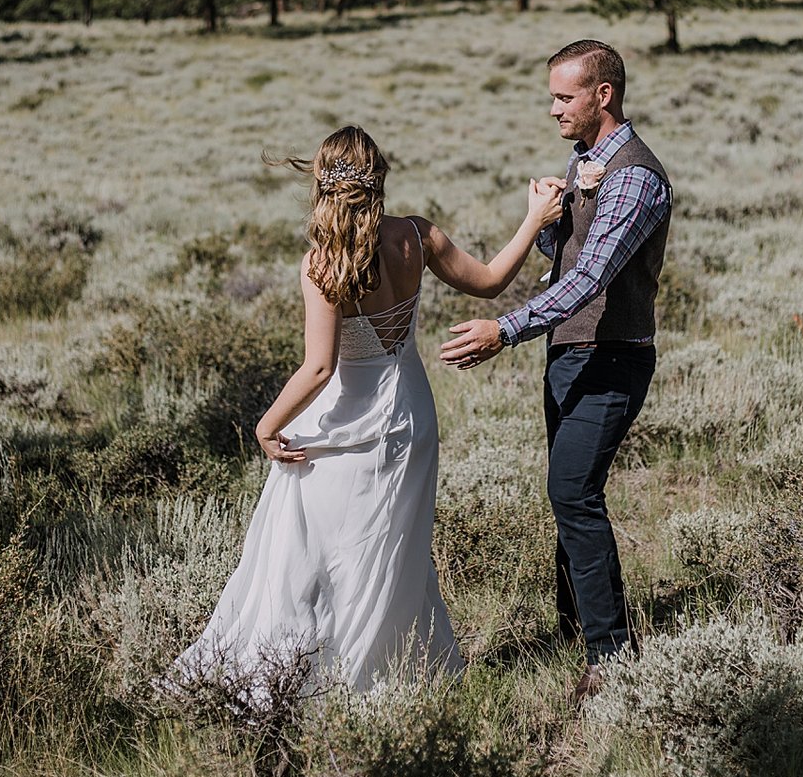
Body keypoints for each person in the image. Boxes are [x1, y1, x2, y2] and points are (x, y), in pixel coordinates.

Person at [170, 124, 563, 693]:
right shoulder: (416, 236)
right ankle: (392, 672)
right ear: (378, 177)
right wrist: (534, 218)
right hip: (412, 416)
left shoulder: (321, 265)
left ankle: (321, 674)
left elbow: (319, 368)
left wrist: (265, 424)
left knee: (313, 552)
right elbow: (492, 282)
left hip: (345, 422)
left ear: (324, 185)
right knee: (391, 549)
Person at [440, 40, 672, 707]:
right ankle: (576, 627)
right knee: (565, 490)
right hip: (571, 354)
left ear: (604, 95)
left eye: (564, 97)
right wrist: (551, 212)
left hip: (613, 356)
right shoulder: (586, 164)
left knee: (573, 490)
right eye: (551, 96)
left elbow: (593, 277)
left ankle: (611, 657)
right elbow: (564, 254)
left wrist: (503, 329)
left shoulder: (634, 176)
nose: (552, 110)